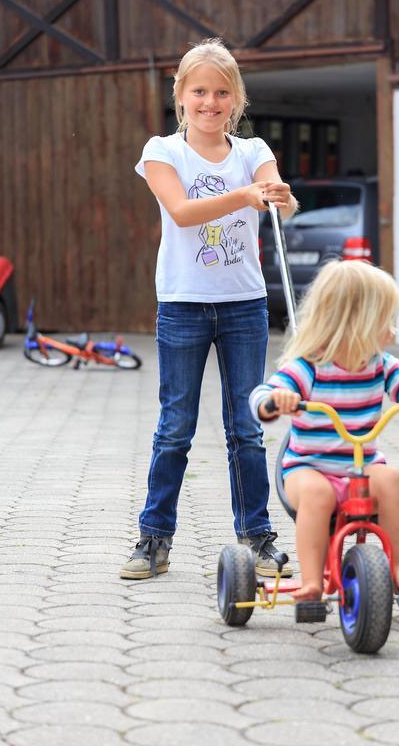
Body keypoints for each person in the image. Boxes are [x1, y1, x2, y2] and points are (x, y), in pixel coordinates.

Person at [120, 38, 298, 581]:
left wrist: (280, 198)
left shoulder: (252, 151)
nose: (210, 102)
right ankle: (154, 539)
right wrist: (245, 197)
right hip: (183, 306)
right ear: (181, 94)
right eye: (199, 91)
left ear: (235, 100)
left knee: (246, 427)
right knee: (176, 426)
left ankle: (258, 538)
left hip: (244, 305)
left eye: (222, 93)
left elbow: (280, 202)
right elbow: (180, 212)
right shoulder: (162, 151)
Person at [249, 260, 399, 602]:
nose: (392, 331)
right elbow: (260, 395)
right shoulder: (309, 367)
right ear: (355, 323)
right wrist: (275, 401)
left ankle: (398, 564)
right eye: (385, 321)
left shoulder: (381, 364)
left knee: (392, 480)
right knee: (317, 495)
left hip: (361, 467)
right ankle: (312, 580)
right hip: (307, 468)